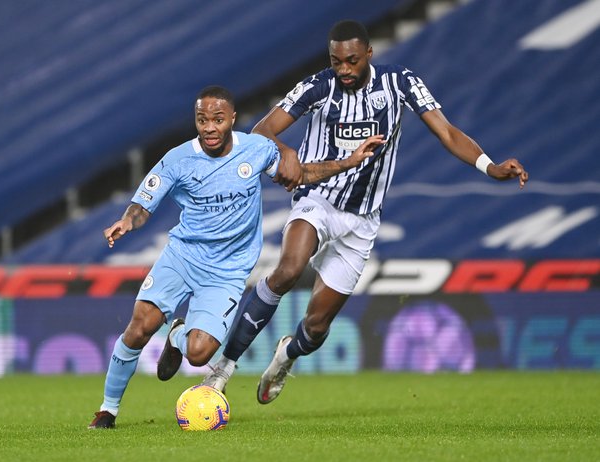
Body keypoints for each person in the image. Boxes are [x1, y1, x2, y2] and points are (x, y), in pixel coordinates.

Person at [202, 20, 529, 403]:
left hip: (362, 220)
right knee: (289, 269)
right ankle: (222, 369)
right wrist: (287, 152)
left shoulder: (400, 82)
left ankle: (288, 355)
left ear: (369, 55)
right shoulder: (318, 86)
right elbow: (261, 130)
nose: (343, 69)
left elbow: (448, 132)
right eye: (336, 61)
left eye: (352, 61)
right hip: (317, 199)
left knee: (317, 325)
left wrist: (490, 167)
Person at [88, 85, 385, 428]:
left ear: (231, 118)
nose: (209, 128)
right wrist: (127, 221)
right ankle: (108, 410)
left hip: (227, 271)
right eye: (202, 120)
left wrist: (349, 162)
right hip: (183, 257)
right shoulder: (178, 159)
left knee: (199, 355)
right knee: (140, 328)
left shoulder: (256, 149)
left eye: (217, 119)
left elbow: (299, 174)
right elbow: (143, 204)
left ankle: (177, 336)